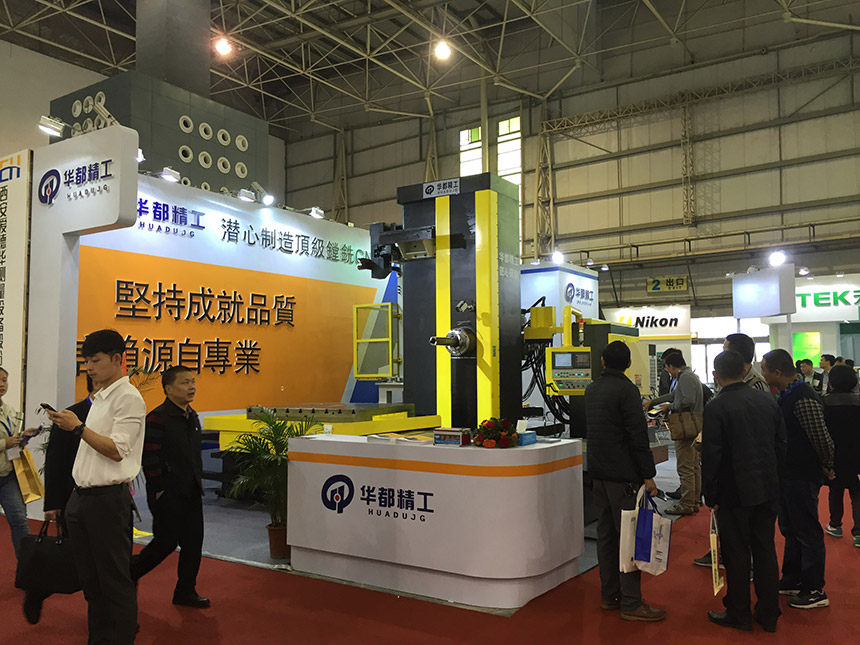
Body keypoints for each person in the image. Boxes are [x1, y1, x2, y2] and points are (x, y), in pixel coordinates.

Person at [46, 330, 146, 644]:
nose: (89, 367)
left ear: (118, 359)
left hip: (107, 501)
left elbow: (116, 450)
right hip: (81, 499)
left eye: (96, 360)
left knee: (113, 581)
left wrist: (77, 427)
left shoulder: (128, 397)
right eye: (86, 360)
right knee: (91, 583)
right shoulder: (101, 397)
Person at [701, 351, 786, 632]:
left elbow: (712, 455)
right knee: (765, 550)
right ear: (744, 371)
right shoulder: (767, 400)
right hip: (767, 487)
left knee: (736, 554)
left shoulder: (716, 407)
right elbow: (781, 445)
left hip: (734, 492)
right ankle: (769, 612)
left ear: (715, 375)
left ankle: (739, 611)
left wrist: (710, 494)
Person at [585, 341, 666, 622]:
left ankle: (609, 596)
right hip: (624, 479)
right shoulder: (627, 390)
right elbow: (637, 437)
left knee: (606, 537)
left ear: (603, 361)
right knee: (629, 538)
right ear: (629, 364)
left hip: (599, 475)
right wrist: (648, 475)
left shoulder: (592, 389)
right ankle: (631, 602)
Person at [760, 348, 834, 610]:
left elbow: (821, 438)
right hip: (788, 473)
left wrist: (828, 465)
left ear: (777, 372)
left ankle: (814, 588)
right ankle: (792, 578)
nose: (762, 373)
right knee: (790, 528)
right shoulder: (787, 394)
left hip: (802, 474)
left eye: (764, 369)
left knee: (807, 530)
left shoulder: (803, 397)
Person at [131, 366, 209, 607]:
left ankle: (185, 591)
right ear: (168, 389)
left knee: (193, 544)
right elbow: (149, 456)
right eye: (185, 382)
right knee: (165, 543)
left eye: (193, 382)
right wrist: (160, 488)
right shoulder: (157, 418)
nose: (191, 387)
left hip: (191, 490)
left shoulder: (192, 416)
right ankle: (129, 573)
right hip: (168, 493)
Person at [22, 375, 96, 625]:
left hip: (107, 499)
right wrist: (52, 504)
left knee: (105, 562)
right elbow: (55, 461)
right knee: (76, 560)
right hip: (71, 499)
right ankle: (39, 590)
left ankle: (109, 617)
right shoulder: (71, 415)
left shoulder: (113, 414)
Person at [644, 351, 703, 516]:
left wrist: (668, 407)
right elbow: (674, 395)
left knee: (685, 467)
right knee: (693, 466)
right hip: (693, 426)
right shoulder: (689, 376)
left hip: (685, 427)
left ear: (671, 366)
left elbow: (687, 400)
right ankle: (694, 501)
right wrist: (654, 401)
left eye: (667, 368)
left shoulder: (685, 377)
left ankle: (687, 503)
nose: (667, 372)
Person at [821, 365, 860, 548]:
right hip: (857, 454)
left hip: (834, 454)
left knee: (835, 490)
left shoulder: (825, 402)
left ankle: (835, 524)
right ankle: (858, 532)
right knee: (857, 493)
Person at [0, 367, 31, 559]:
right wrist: (5, 443)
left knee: (19, 520)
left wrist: (23, 438)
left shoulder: (10, 411)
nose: (1, 384)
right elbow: (7, 442)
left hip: (8, 476)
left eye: (4, 380)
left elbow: (14, 441)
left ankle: (27, 568)